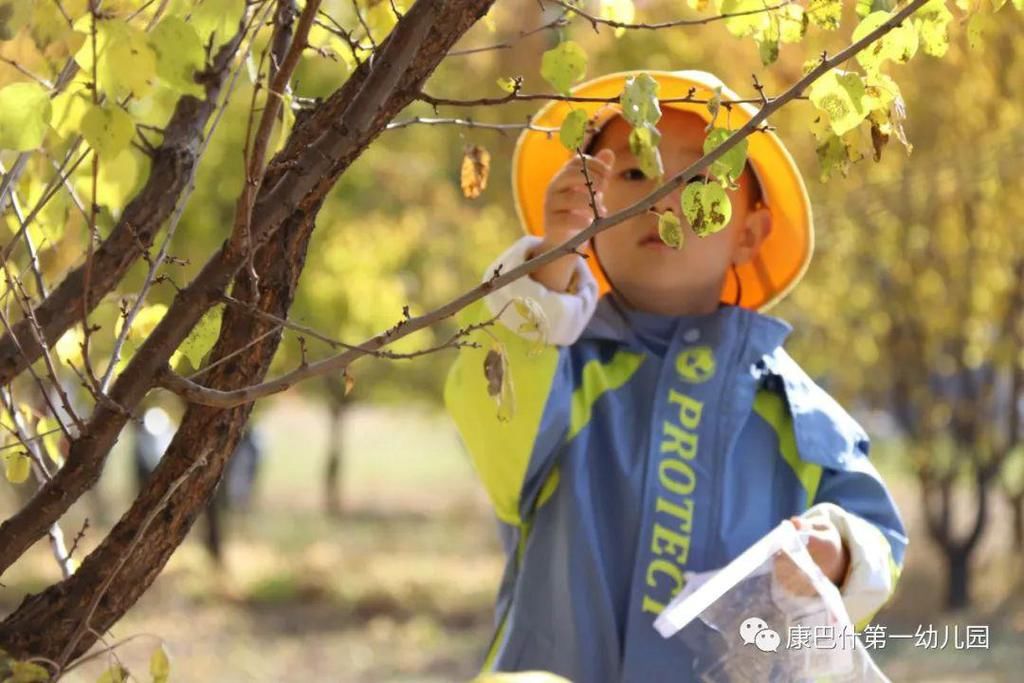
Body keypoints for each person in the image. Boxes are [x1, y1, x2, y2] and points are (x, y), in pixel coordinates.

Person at [443, 70, 907, 681]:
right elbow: (495, 429)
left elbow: (877, 531)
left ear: (750, 231)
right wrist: (547, 271)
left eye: (696, 181)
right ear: (594, 210)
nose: (660, 200)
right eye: (633, 174)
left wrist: (839, 550)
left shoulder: (785, 403)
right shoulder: (557, 366)